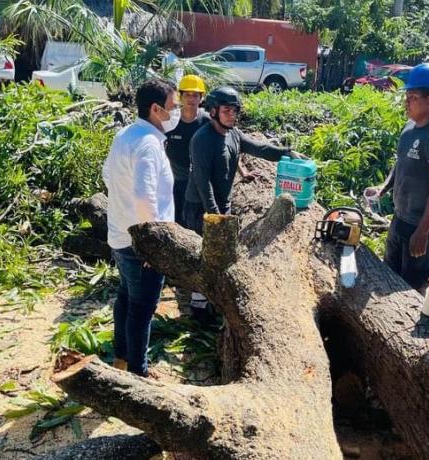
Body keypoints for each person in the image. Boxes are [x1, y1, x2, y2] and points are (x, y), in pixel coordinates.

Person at [183, 86, 306, 321]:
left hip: (222, 204)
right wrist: (215, 215)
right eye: (227, 110)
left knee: (221, 254)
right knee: (204, 254)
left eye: (235, 111)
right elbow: (202, 181)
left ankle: (213, 298)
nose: (232, 115)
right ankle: (198, 307)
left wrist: (287, 153)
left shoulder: (234, 134)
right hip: (200, 205)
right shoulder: (202, 140)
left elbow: (260, 149)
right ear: (213, 111)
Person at [102, 78, 179, 375]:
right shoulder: (148, 143)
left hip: (120, 234)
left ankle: (121, 359)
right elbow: (144, 195)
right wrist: (152, 244)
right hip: (141, 243)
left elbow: (108, 176)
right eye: (171, 107)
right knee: (142, 309)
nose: (175, 112)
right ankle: (138, 372)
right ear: (155, 109)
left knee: (126, 297)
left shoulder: (126, 133)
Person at [365, 63, 429, 294]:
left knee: (411, 288)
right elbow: (401, 164)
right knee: (389, 276)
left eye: (413, 97)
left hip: (424, 225)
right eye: (407, 96)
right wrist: (383, 189)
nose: (407, 102)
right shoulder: (409, 128)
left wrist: (423, 231)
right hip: (401, 218)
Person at [165, 74, 210, 312]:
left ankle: (194, 277)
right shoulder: (170, 122)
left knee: (196, 228)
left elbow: (223, 144)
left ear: (201, 98)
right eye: (187, 94)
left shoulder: (205, 122)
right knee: (175, 224)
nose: (191, 99)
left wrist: (243, 172)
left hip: (198, 183)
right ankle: (174, 273)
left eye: (195, 95)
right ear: (180, 97)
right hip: (174, 180)